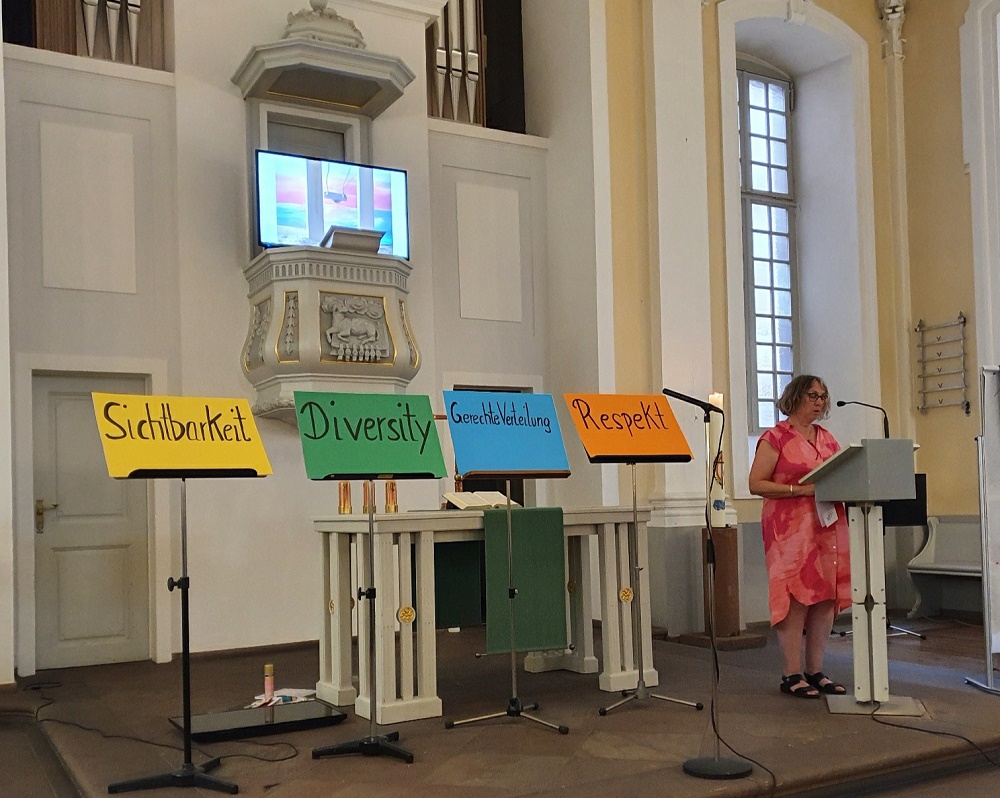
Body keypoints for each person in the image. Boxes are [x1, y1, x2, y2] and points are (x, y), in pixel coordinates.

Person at [748, 374, 851, 699]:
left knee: (823, 598)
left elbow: (840, 474)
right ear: (794, 398)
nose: (819, 401)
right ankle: (791, 673)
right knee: (794, 598)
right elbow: (756, 484)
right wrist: (800, 490)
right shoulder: (775, 437)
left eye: (823, 396)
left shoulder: (827, 438)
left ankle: (815, 670)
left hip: (826, 526)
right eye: (812, 395)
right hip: (789, 531)